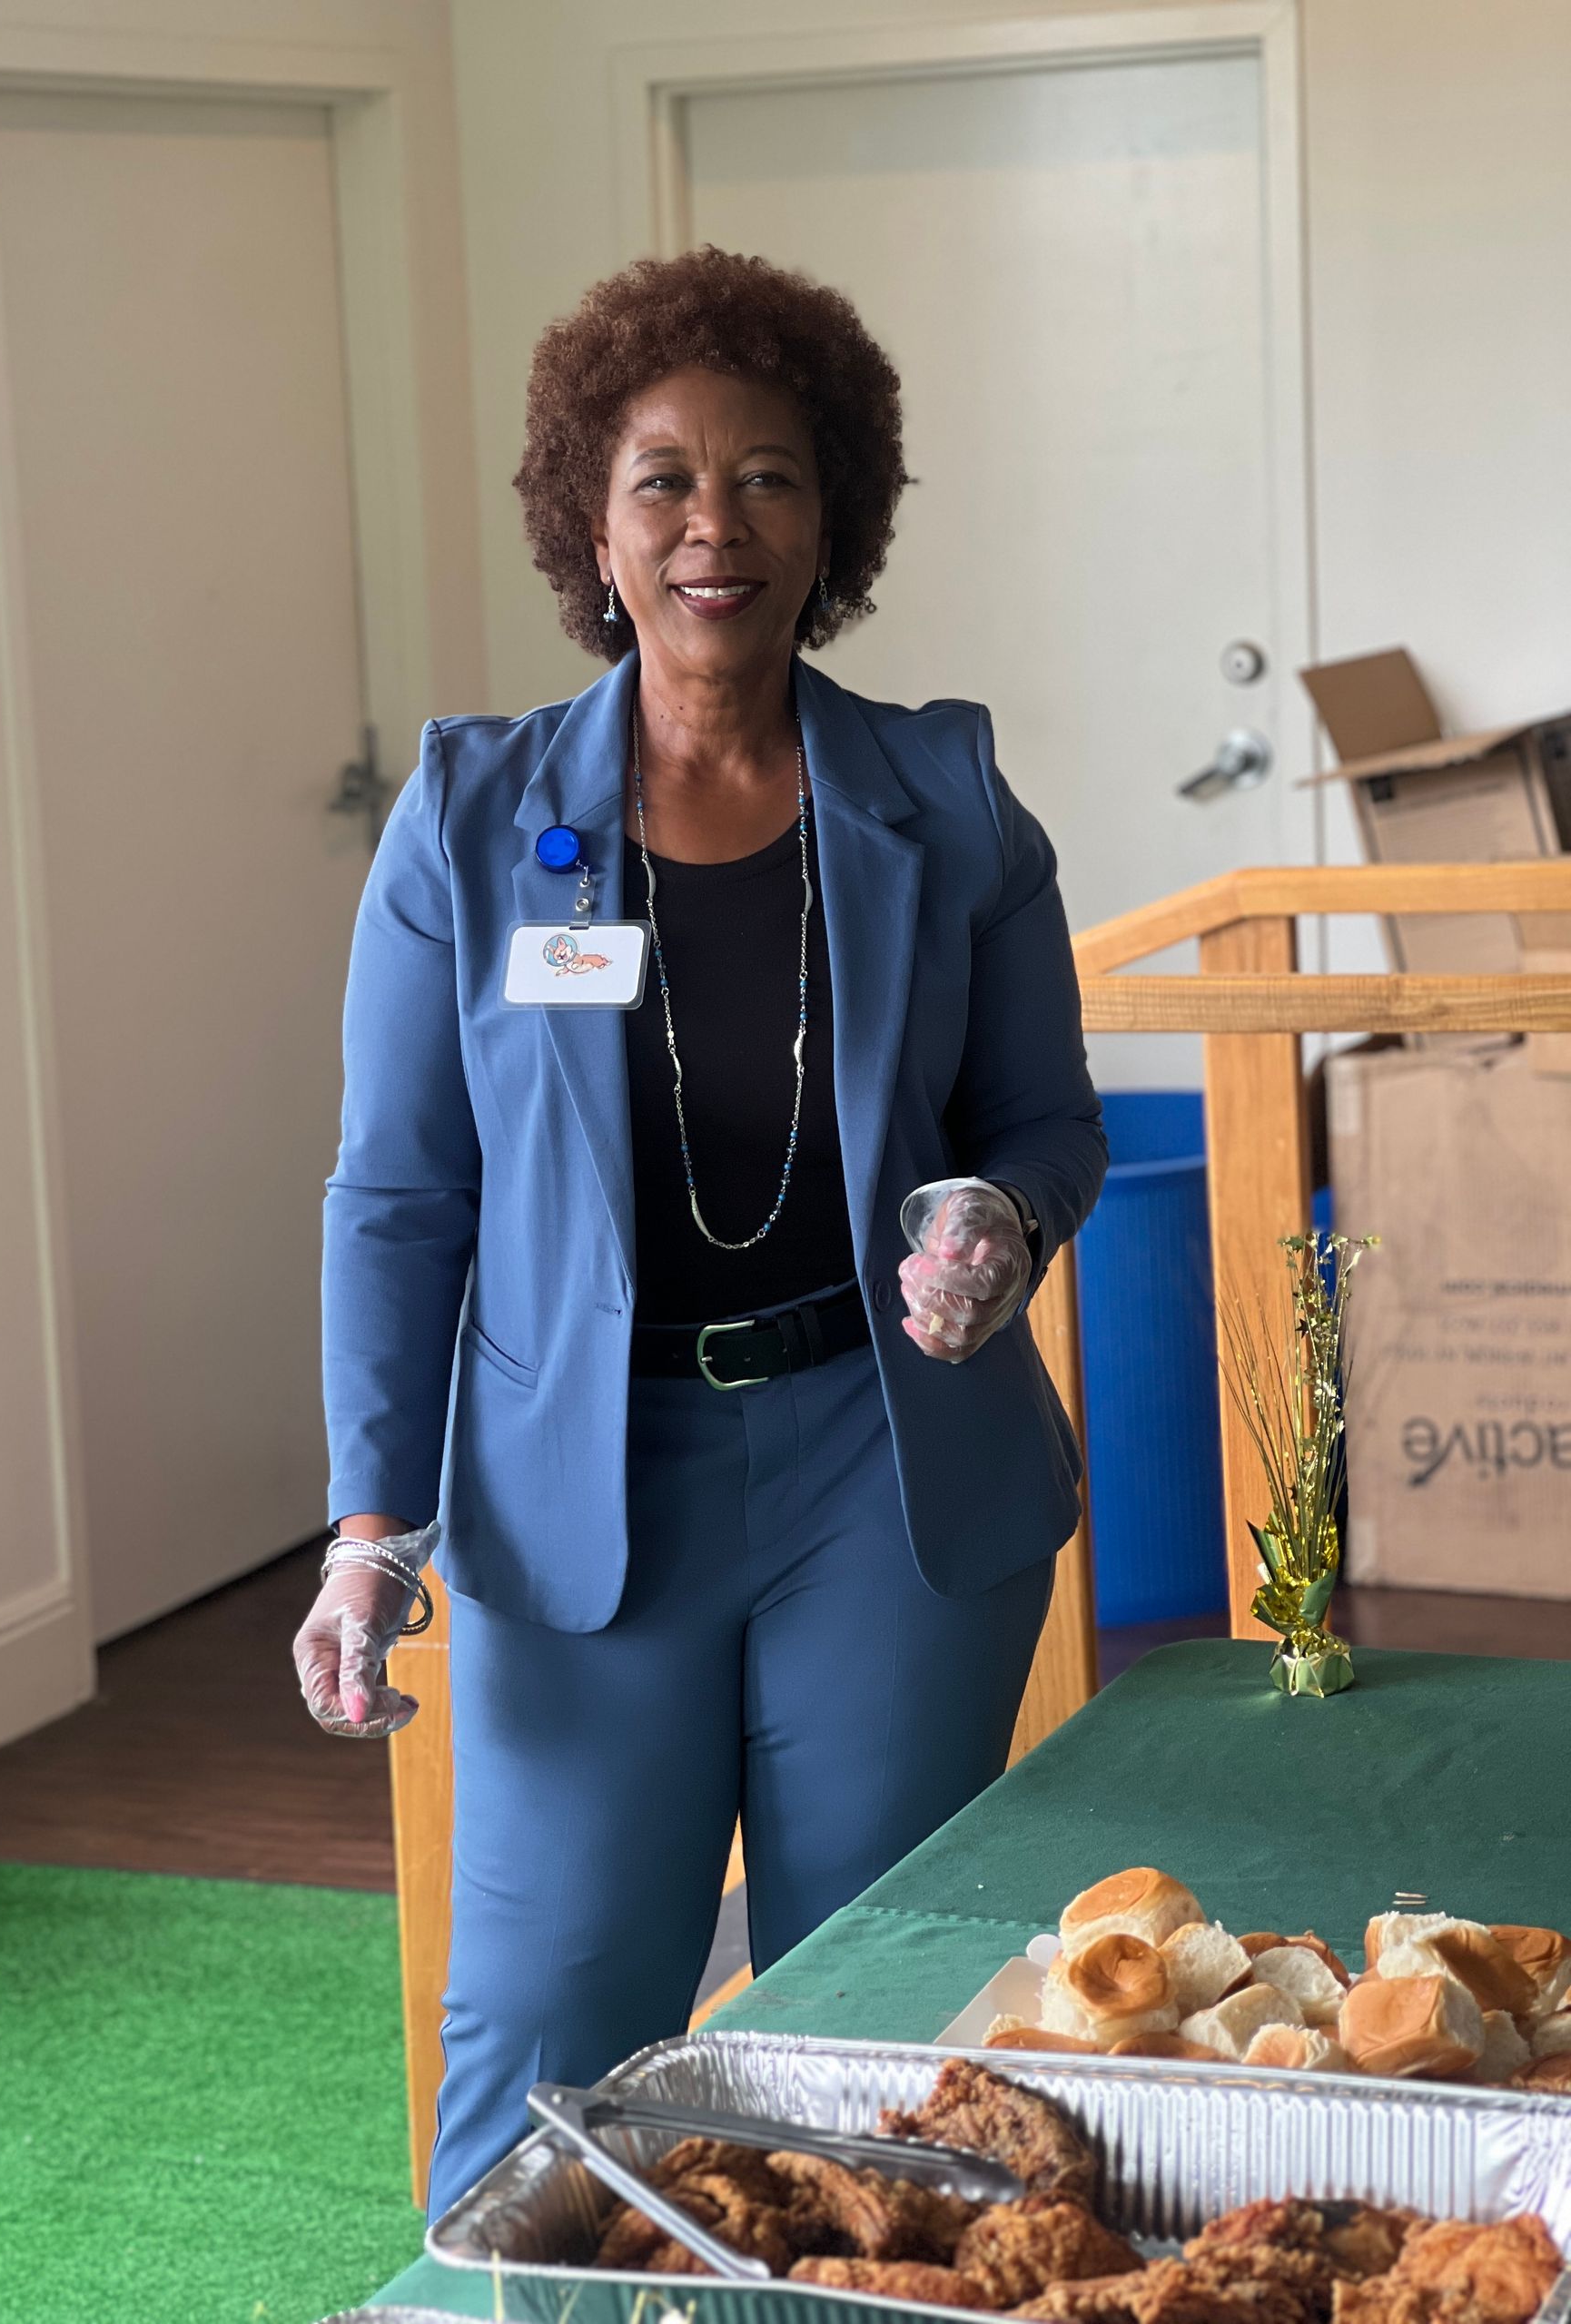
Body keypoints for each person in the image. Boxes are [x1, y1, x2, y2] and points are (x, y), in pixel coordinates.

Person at [292, 247, 1106, 2215]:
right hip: (582, 1482)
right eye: (662, 479)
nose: (712, 526)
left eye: (767, 479)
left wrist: (1000, 1214)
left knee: (875, 2024)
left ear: (836, 524)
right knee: (548, 2016)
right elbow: (400, 1191)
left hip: (886, 1476)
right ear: (594, 523)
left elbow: (1047, 1123)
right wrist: (368, 1521)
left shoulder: (943, 798)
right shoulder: (474, 819)